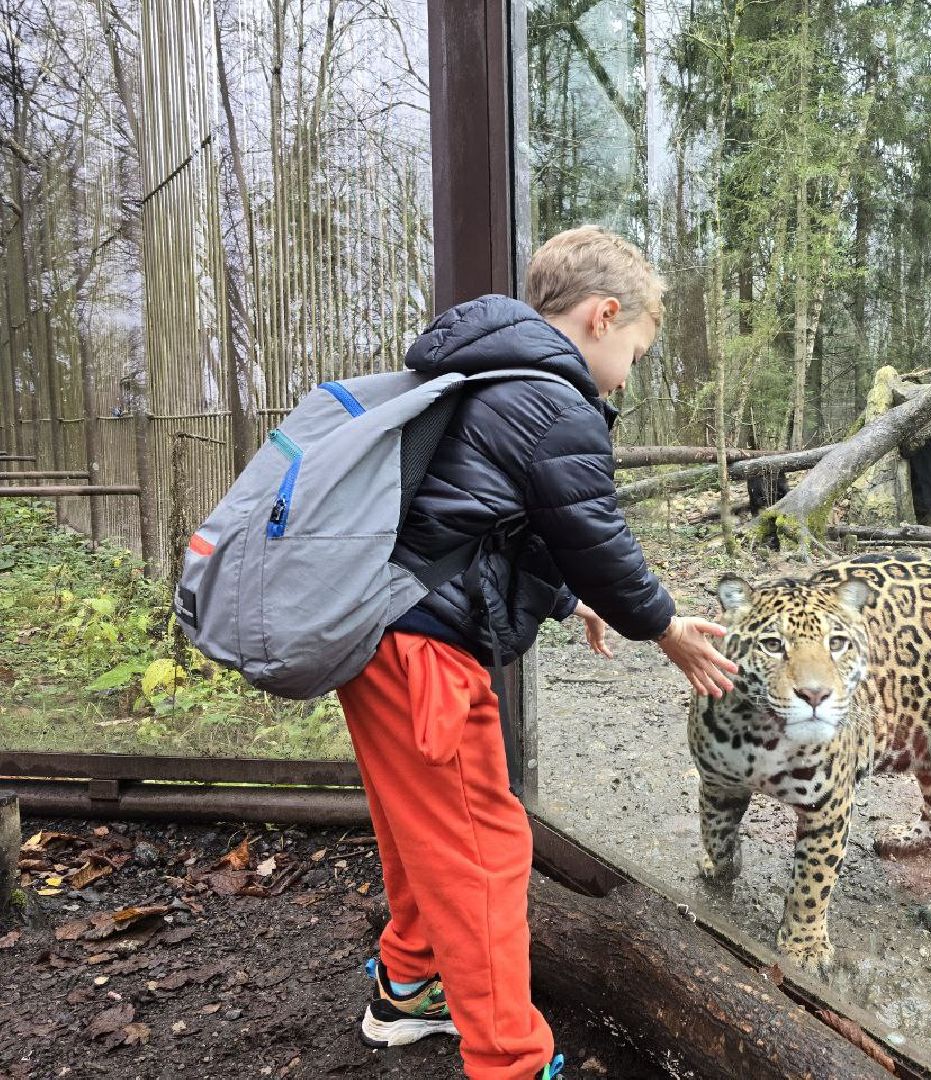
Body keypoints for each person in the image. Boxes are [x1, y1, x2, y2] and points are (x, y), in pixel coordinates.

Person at [336, 226, 739, 1080]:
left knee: (424, 832)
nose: (630, 371)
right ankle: (511, 1061)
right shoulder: (554, 401)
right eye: (635, 349)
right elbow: (594, 534)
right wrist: (663, 626)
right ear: (602, 316)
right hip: (428, 656)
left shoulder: (487, 371)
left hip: (381, 639)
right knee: (485, 851)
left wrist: (565, 598)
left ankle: (408, 986)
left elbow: (477, 519)